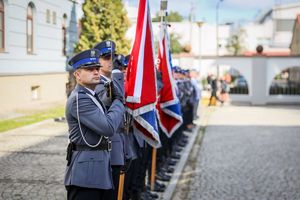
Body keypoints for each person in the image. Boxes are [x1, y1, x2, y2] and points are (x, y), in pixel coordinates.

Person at [64, 49, 125, 200]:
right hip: (86, 176)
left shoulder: (92, 95)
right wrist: (119, 102)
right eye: (90, 69)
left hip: (98, 171)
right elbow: (108, 127)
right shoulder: (80, 99)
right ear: (77, 75)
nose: (96, 72)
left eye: (97, 68)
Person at [94, 40, 129, 200]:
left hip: (119, 143)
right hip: (106, 148)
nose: (111, 61)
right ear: (98, 60)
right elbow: (108, 103)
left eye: (112, 57)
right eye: (106, 57)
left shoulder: (113, 82)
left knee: (117, 192)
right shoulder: (96, 85)